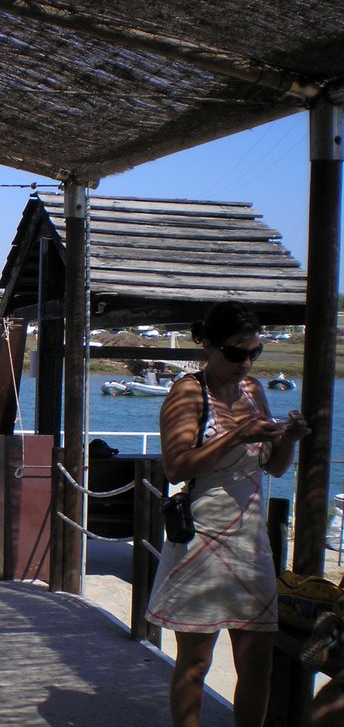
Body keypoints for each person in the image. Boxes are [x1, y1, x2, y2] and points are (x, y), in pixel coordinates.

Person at [146, 301, 309, 727]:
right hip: (202, 539)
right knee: (196, 662)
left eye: (255, 352)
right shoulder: (187, 392)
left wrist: (288, 439)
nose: (247, 362)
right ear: (210, 346)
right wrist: (238, 434)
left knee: (259, 664)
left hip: (250, 543)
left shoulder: (254, 391)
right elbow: (177, 466)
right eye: (237, 353)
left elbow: (272, 465)